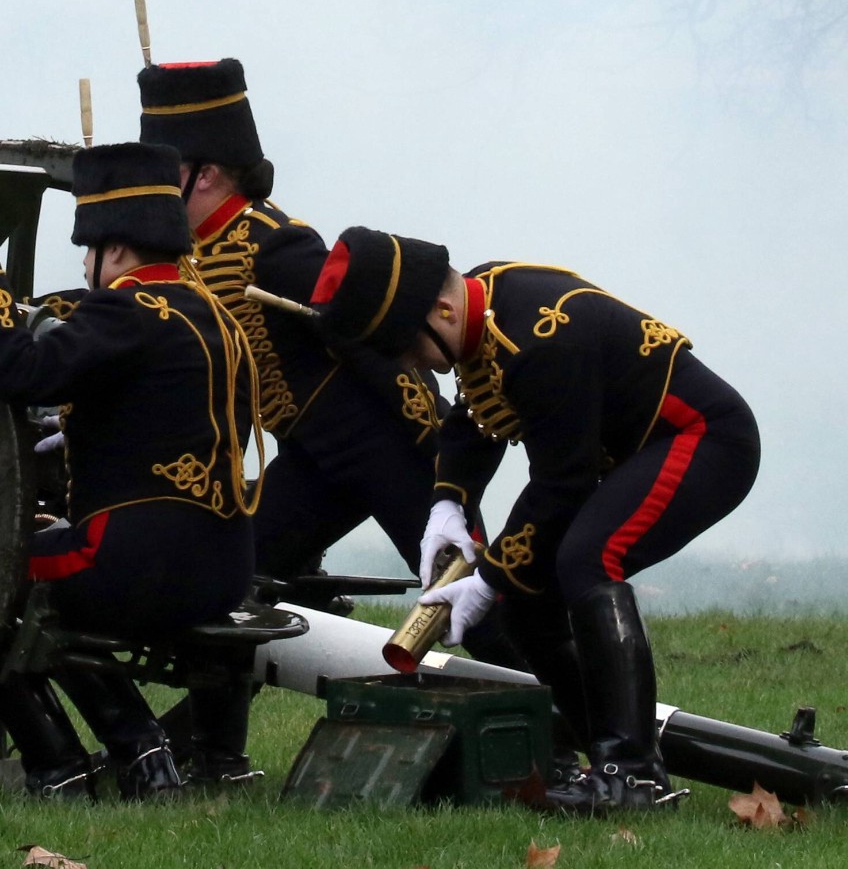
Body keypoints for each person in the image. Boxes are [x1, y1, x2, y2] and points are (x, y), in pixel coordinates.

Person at [135, 57, 531, 781]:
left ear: (210, 174)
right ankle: (210, 751)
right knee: (239, 578)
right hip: (315, 456)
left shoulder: (279, 248)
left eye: (169, 176)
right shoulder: (190, 255)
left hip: (382, 441)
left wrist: (436, 456)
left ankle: (573, 719)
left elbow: (376, 346)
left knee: (460, 589)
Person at [312, 227, 761, 811]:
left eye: (406, 347)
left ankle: (634, 774)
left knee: (588, 559)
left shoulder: (541, 343)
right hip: (635, 452)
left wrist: (490, 576)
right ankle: (596, 753)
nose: (410, 363)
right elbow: (478, 413)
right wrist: (449, 501)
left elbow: (562, 485)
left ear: (442, 310)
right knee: (529, 603)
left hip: (703, 439)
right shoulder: (485, 304)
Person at [0, 141, 261, 800]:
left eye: (89, 251)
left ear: (117, 248)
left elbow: (23, 371)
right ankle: (145, 753)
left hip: (135, 567)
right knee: (44, 562)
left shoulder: (124, 311)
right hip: (223, 569)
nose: (85, 264)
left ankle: (69, 761)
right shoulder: (216, 315)